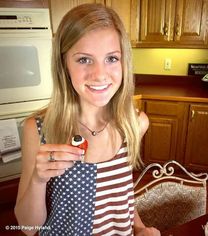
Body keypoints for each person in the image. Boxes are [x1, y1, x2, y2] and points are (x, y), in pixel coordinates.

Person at [14, 3, 161, 236]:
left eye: (112, 58)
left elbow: (122, 195)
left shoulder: (134, 123)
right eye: (84, 60)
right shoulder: (39, 129)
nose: (100, 74)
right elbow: (28, 227)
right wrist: (38, 180)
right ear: (64, 65)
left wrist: (140, 227)